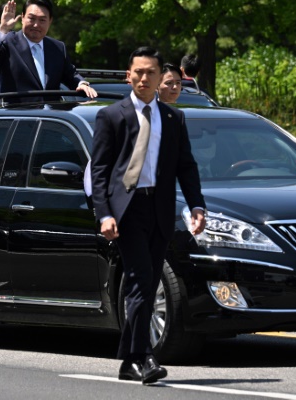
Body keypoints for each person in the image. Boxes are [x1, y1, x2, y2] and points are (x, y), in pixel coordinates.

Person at [90, 46, 206, 384]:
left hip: (161, 207)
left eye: (150, 73)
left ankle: (129, 361)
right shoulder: (111, 116)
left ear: (160, 78)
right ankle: (143, 357)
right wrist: (104, 214)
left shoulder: (173, 118)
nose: (144, 78)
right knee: (140, 281)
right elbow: (99, 172)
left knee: (149, 281)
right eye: (138, 72)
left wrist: (197, 205)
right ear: (129, 75)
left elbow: (186, 165)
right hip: (127, 210)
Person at [0, 0, 98, 101]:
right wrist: (3, 29)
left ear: (50, 21)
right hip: (16, 117)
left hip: (50, 119)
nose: (36, 25)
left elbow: (70, 75)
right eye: (31, 18)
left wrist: (81, 84)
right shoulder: (8, 41)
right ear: (22, 18)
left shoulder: (57, 47)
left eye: (42, 20)